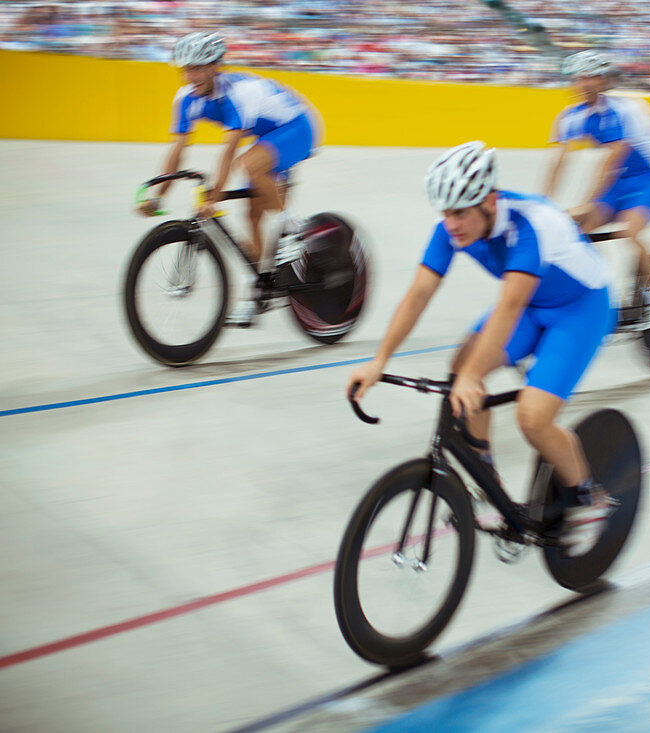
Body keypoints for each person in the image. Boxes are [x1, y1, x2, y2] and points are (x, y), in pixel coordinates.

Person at [347, 142, 616, 556]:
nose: (450, 224)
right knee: (461, 366)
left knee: (532, 417)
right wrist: (379, 360)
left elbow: (509, 305)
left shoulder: (530, 226)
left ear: (489, 201)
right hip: (531, 305)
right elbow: (419, 293)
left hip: (579, 309)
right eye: (444, 213)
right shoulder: (452, 229)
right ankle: (488, 479)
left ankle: (588, 496)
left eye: (460, 213)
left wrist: (474, 377)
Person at [136, 31, 323, 327]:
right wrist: (158, 196)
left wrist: (214, 197)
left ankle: (294, 228)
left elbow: (229, 151)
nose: (190, 76)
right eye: (185, 69)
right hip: (268, 137)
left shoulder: (238, 94)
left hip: (297, 126)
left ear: (215, 66)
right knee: (252, 216)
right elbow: (177, 151)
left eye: (197, 68)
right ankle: (261, 290)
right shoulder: (186, 98)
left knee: (248, 164)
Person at [543, 50, 650, 321]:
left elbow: (610, 165)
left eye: (591, 77)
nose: (584, 84)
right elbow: (559, 161)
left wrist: (588, 202)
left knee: (629, 230)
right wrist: (543, 203)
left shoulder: (624, 111)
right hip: (621, 181)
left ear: (605, 80)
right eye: (579, 79)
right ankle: (600, 291)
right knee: (581, 232)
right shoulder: (571, 117)